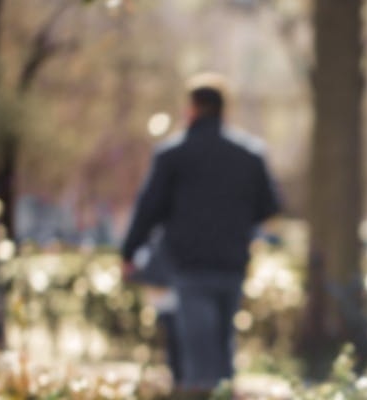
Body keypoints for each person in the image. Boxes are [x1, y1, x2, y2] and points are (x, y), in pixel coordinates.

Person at [120, 73, 280, 394]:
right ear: (224, 110)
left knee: (197, 348)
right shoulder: (249, 155)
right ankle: (221, 390)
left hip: (189, 262)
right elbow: (268, 206)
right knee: (222, 344)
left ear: (192, 108)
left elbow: (149, 208)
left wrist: (128, 252)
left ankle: (202, 391)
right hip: (233, 261)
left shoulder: (173, 154)